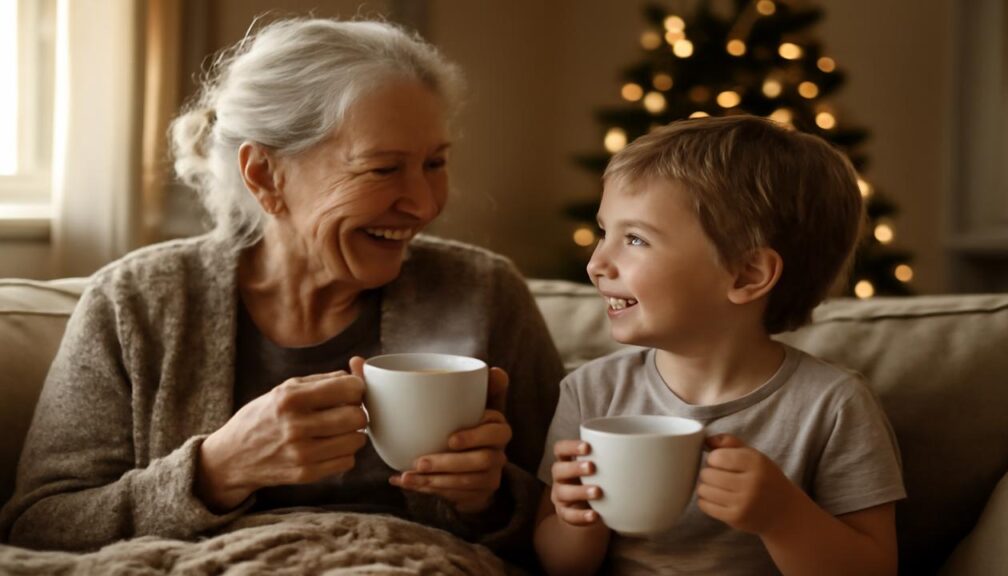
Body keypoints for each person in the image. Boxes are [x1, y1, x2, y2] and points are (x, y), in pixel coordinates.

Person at [0, 17, 564, 565]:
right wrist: (216, 471)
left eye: (434, 163)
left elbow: (567, 521)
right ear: (266, 175)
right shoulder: (134, 304)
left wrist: (488, 500)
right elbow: (42, 524)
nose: (423, 203)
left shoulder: (486, 294)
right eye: (382, 169)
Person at [533, 116, 906, 575]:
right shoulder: (589, 392)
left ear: (747, 275)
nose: (596, 264)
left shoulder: (833, 406)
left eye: (635, 239)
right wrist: (577, 520)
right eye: (603, 232)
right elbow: (558, 565)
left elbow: (875, 569)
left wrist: (783, 517)